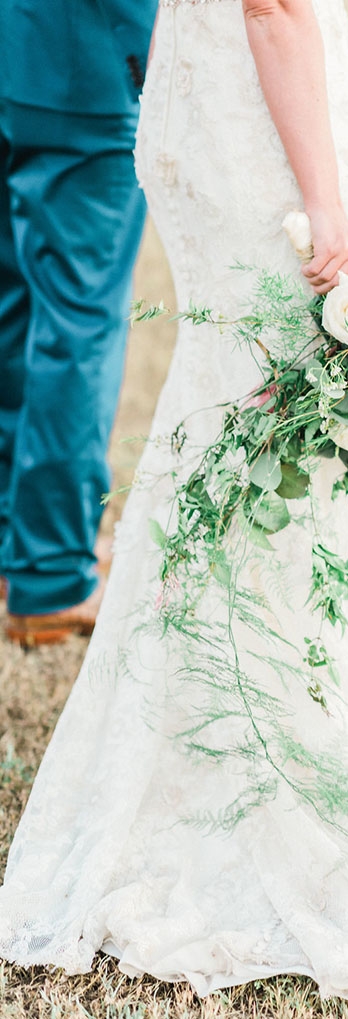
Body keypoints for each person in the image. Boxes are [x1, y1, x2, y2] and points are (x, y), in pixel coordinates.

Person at [0, 0, 348, 1004]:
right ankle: (268, 748)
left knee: (233, 403)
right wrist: (325, 204)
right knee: (277, 402)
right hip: (261, 102)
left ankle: (206, 726)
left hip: (206, 86)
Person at [0, 0, 157, 645]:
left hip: (19, 49)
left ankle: (16, 552)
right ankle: (53, 577)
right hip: (87, 65)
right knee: (80, 324)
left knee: (16, 304)